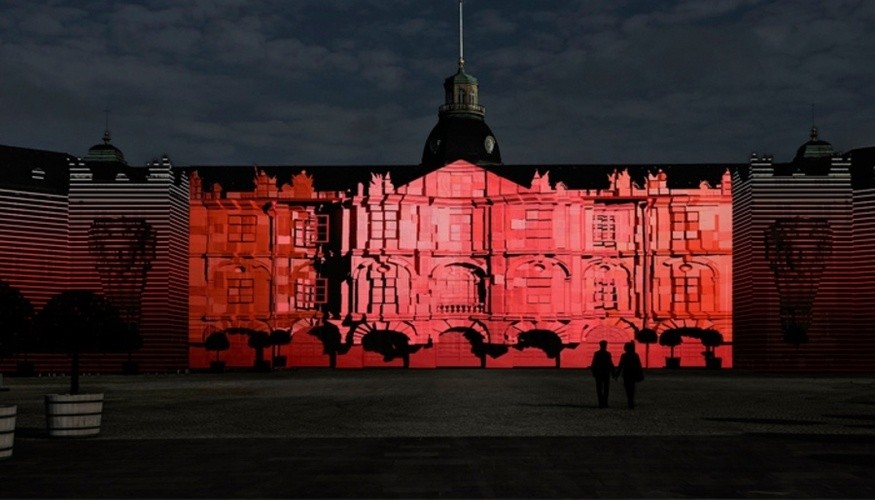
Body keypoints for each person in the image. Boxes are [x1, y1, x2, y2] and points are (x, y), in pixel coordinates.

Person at [615, 341, 644, 409]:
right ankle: (631, 401)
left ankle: (630, 401)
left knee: (627, 388)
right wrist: (640, 374)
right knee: (632, 388)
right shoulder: (635, 355)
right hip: (633, 374)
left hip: (627, 374)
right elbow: (638, 365)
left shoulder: (624, 356)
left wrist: (617, 374)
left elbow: (620, 365)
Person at [590, 340, 614, 408]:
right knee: (606, 389)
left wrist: (594, 372)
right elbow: (610, 363)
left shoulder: (597, 354)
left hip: (599, 373)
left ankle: (601, 402)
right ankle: (605, 402)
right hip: (605, 373)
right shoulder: (607, 354)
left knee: (599, 388)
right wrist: (613, 372)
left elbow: (594, 363)